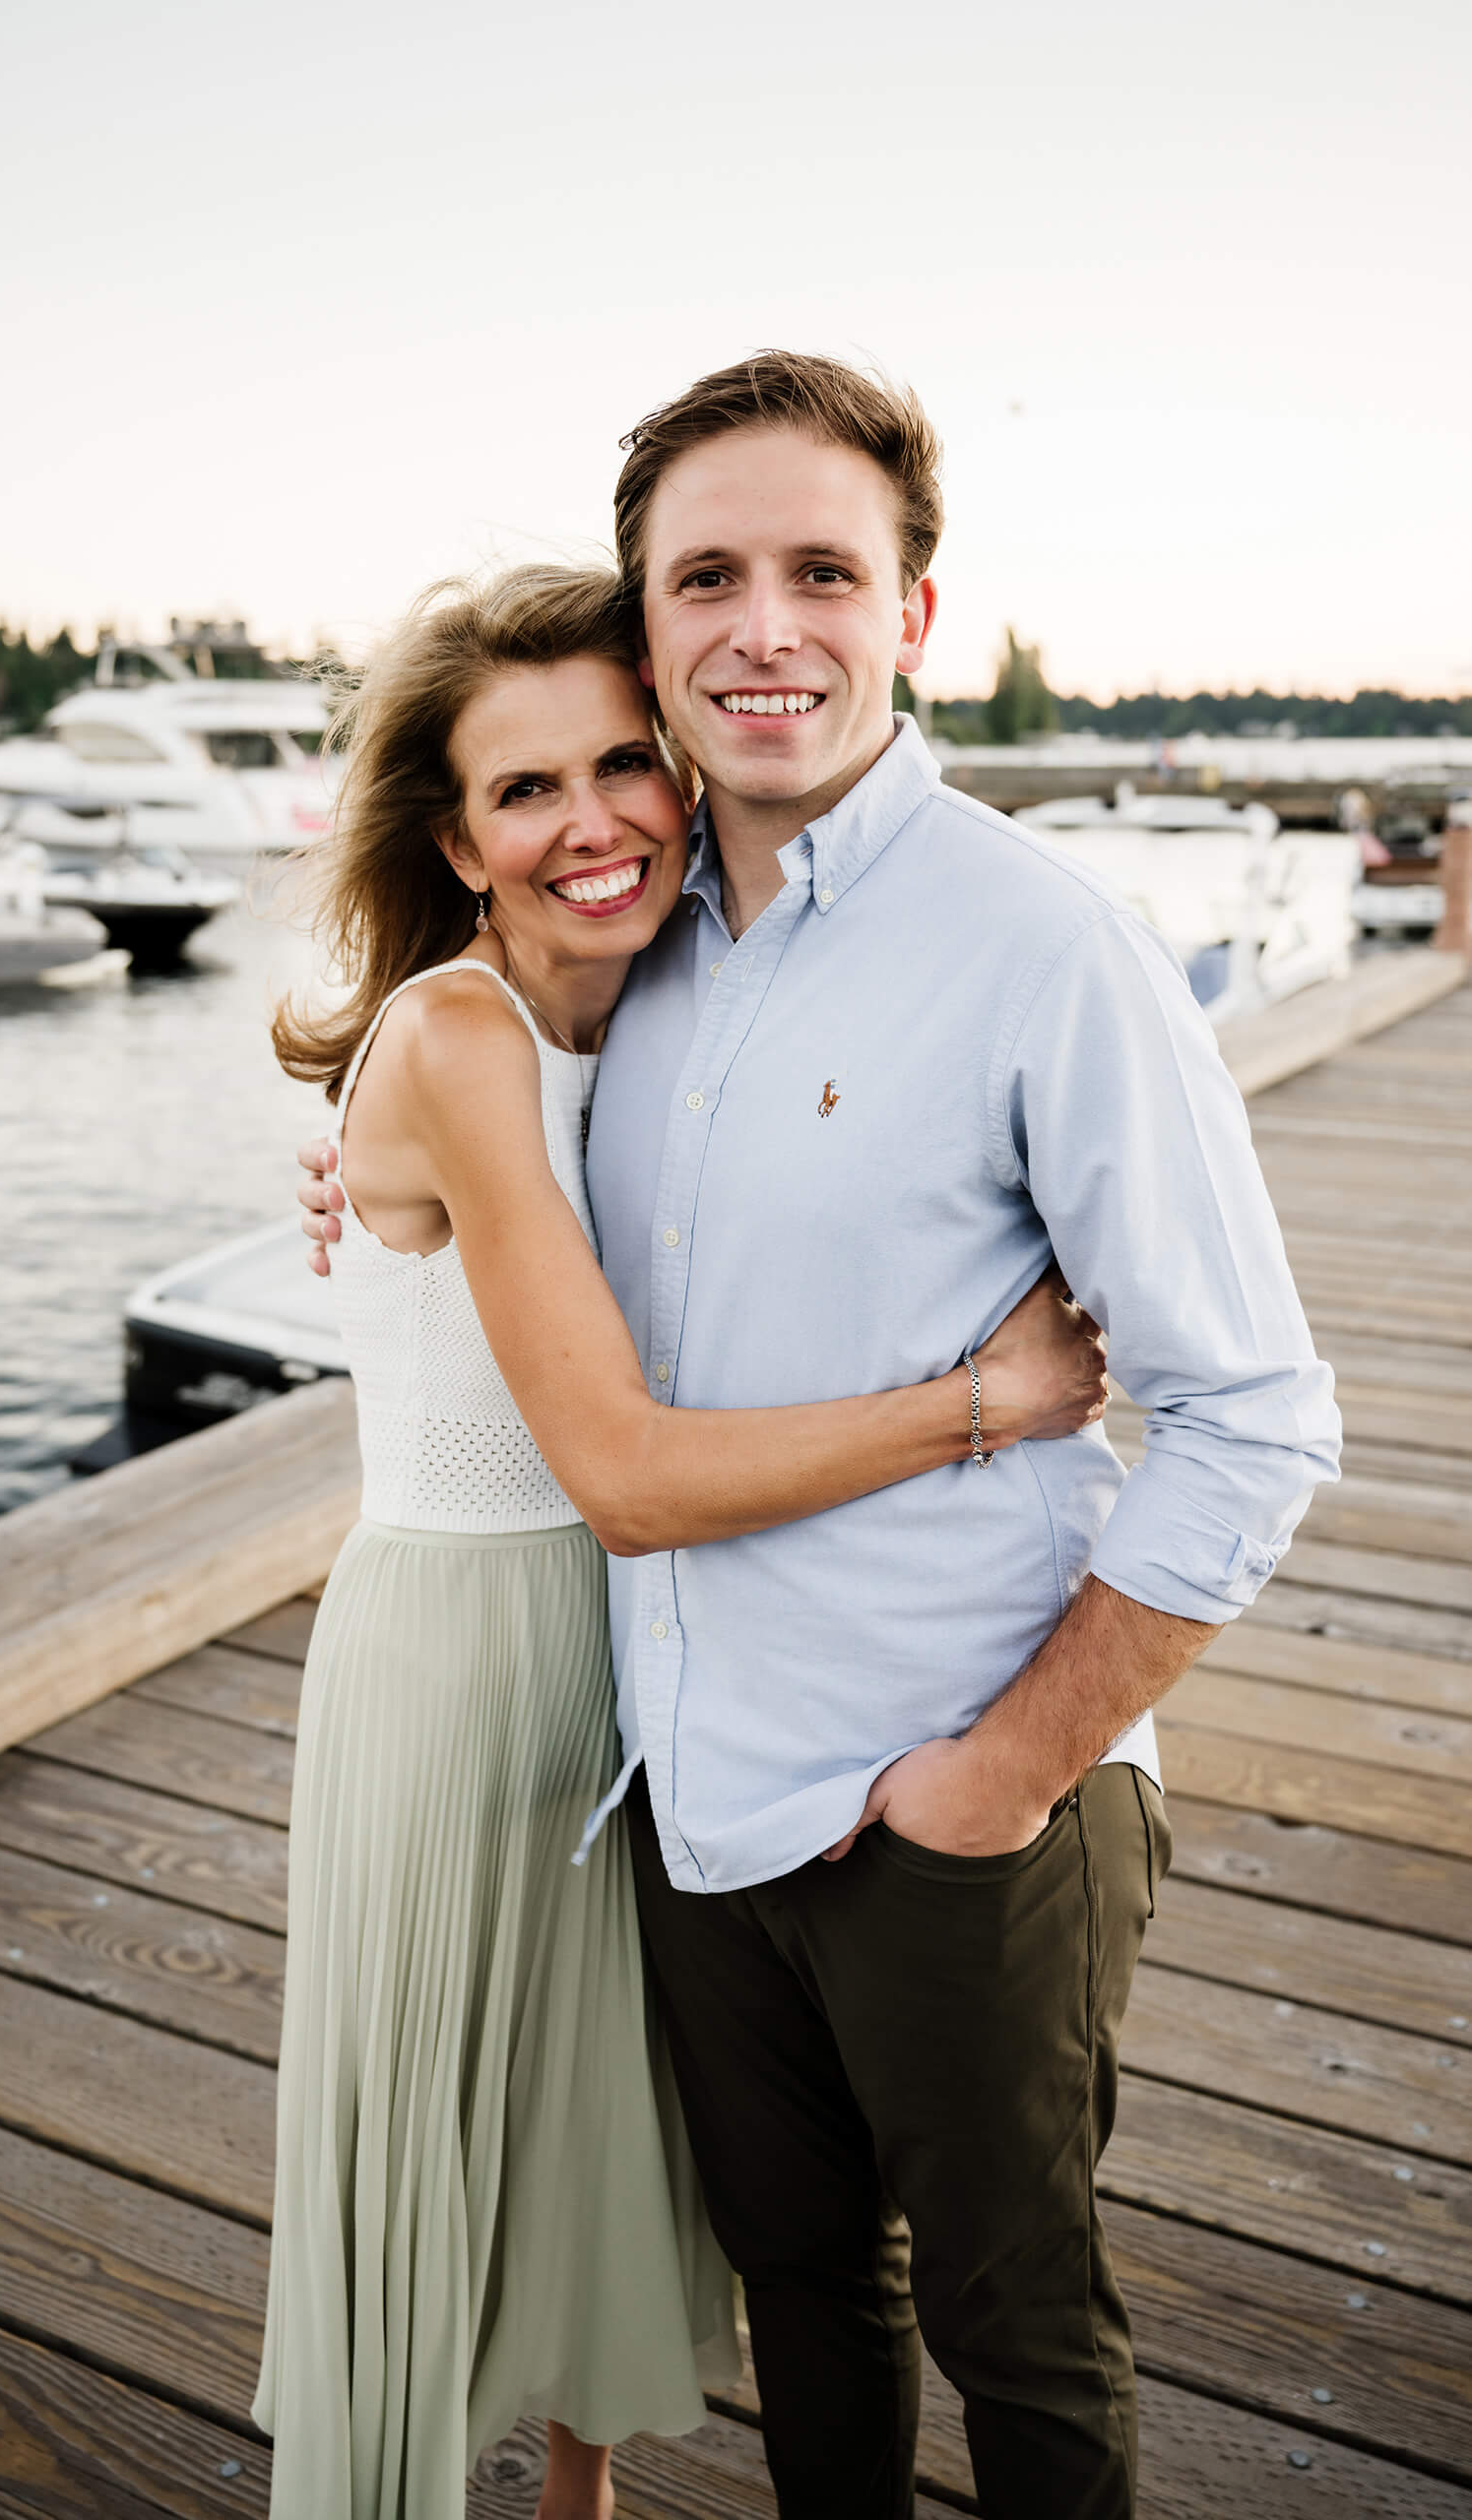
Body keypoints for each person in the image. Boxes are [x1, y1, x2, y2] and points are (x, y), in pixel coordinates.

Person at [300, 352, 1343, 2519]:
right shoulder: (638, 942)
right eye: (705, 575)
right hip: (679, 1789)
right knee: (805, 2303)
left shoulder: (1042, 946)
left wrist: (1007, 1771)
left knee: (1018, 2329)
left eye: (817, 570)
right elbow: (470, 1098)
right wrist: (359, 1159)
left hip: (956, 1792)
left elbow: (1255, 1413)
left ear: (911, 614)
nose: (759, 624)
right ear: (654, 619)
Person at [258, 559, 1110, 2520]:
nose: (589, 823)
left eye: (619, 764)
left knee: (592, 2142)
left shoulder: (664, 1008)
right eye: (524, 789)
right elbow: (623, 1467)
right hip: (470, 1652)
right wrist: (985, 1399)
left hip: (634, 1650)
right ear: (456, 837)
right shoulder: (464, 1036)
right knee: (445, 2150)